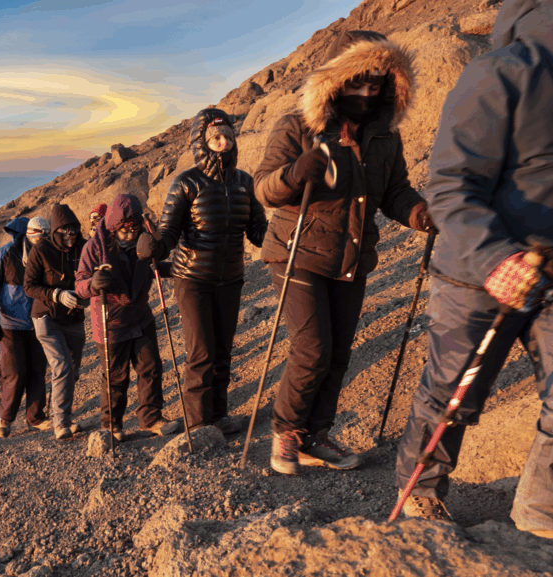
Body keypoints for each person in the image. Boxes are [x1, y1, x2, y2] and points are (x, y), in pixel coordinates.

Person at [394, 0, 553, 546]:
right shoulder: (501, 73)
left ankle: (549, 514)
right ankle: (420, 496)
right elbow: (452, 184)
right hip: (478, 278)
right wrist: (495, 258)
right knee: (452, 394)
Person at [251, 30, 432, 475]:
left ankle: (316, 435)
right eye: (357, 83)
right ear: (335, 81)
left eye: (376, 85)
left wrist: (418, 213)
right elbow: (264, 189)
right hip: (296, 251)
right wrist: (296, 172)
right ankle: (287, 433)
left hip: (350, 256)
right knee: (312, 348)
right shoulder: (299, 127)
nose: (366, 94)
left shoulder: (386, 138)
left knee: (338, 353)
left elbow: (394, 192)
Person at [136, 107, 267, 436]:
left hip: (231, 279)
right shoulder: (186, 183)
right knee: (201, 353)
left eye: (227, 137)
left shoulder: (244, 183)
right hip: (192, 280)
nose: (223, 143)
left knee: (223, 350)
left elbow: (258, 232)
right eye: (215, 138)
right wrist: (152, 246)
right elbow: (168, 234)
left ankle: (219, 417)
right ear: (202, 143)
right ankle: (198, 426)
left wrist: (288, 232)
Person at [77, 194, 181, 440]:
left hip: (140, 315)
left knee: (151, 368)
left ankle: (150, 418)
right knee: (115, 377)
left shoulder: (144, 238)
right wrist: (94, 283)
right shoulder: (95, 246)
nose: (131, 235)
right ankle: (111, 426)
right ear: (114, 227)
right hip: (110, 321)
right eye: (125, 231)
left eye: (134, 229)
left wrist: (180, 267)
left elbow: (154, 265)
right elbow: (80, 284)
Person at [0, 216, 51, 438]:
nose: (40, 240)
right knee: (14, 372)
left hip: (39, 321)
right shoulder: (6, 253)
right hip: (10, 324)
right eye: (37, 236)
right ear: (27, 235)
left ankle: (36, 417)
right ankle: (6, 418)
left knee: (37, 371)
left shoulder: (48, 253)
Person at [24, 207, 87, 439]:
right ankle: (60, 423)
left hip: (74, 317)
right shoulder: (41, 249)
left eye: (74, 232)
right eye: (65, 233)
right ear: (56, 232)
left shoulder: (84, 246)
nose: (70, 237)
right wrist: (57, 294)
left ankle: (64, 416)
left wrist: (87, 293)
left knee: (73, 368)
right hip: (46, 317)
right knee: (62, 366)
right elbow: (29, 286)